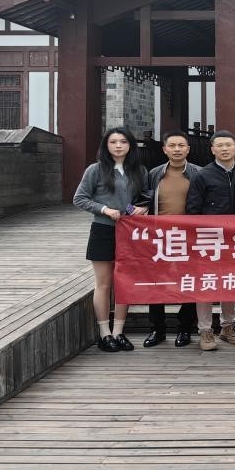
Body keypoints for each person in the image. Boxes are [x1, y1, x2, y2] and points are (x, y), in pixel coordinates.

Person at [72, 127, 151, 353]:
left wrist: (142, 208)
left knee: (124, 282)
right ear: (106, 146)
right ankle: (104, 332)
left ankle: (119, 331)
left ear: (130, 146)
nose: (118, 146)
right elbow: (79, 198)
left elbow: (145, 196)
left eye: (123, 141)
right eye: (113, 142)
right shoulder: (95, 170)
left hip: (129, 232)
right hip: (103, 230)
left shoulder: (139, 170)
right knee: (104, 283)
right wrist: (104, 209)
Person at [185, 130, 235, 351]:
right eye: (219, 145)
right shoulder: (202, 175)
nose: (224, 149)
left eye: (228, 145)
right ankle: (205, 330)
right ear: (212, 150)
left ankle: (227, 327)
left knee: (230, 282)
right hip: (208, 239)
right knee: (207, 283)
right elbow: (193, 209)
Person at [143, 131, 202, 348]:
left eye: (181, 145)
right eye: (172, 146)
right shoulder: (154, 174)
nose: (177, 149)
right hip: (160, 237)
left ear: (188, 149)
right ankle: (157, 328)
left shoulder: (199, 173)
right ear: (164, 149)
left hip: (190, 237)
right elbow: (142, 201)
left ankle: (185, 328)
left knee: (189, 282)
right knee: (156, 283)